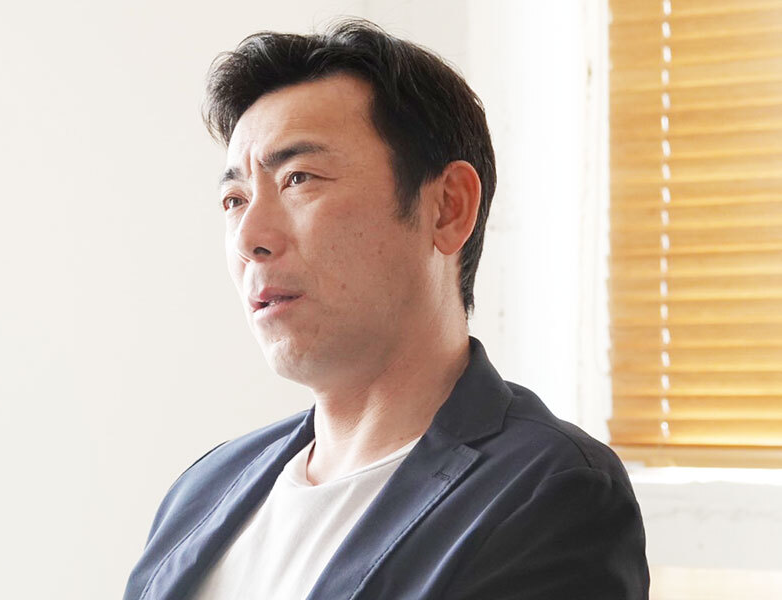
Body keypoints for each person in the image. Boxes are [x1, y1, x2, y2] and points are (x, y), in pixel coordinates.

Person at [123, 18, 649, 600]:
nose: (250, 237)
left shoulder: (546, 492)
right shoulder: (204, 488)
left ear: (448, 208)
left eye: (298, 178)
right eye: (234, 199)